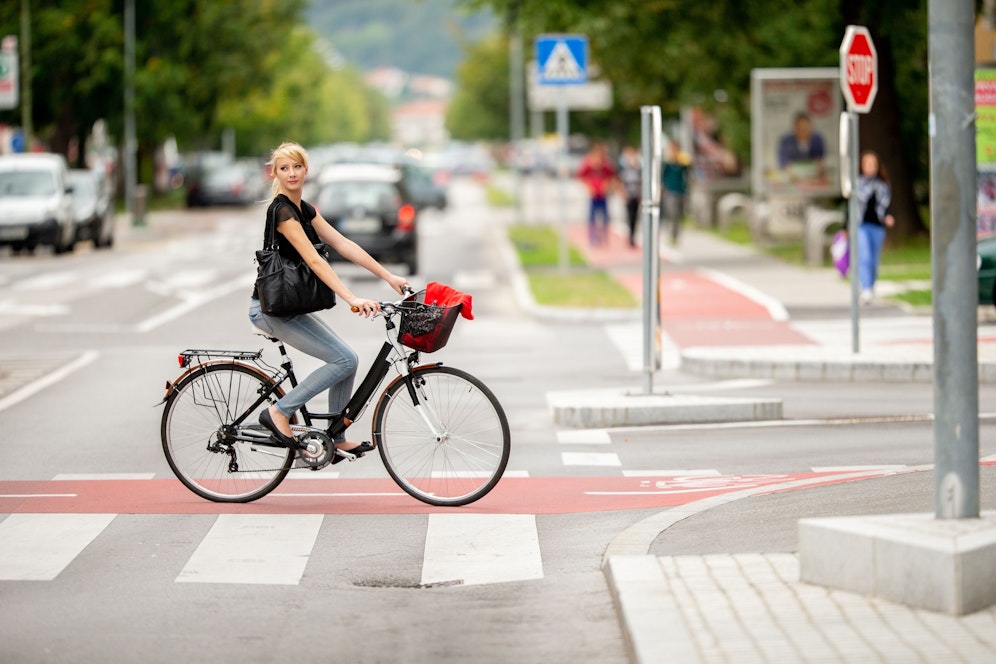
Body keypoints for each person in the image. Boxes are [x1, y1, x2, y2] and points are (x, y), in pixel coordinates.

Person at [249, 142, 409, 460]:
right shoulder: (281, 211)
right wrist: (351, 298)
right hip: (271, 310)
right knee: (344, 361)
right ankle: (279, 412)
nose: (291, 173)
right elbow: (315, 260)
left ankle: (335, 437)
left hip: (289, 307)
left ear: (307, 170)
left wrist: (388, 276)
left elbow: (343, 244)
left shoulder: (304, 208)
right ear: (275, 174)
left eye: (297, 166)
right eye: (284, 168)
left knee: (346, 360)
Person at [855, 150, 895, 304]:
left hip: (877, 226)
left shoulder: (883, 185)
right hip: (861, 225)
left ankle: (871, 286)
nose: (870, 167)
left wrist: (888, 216)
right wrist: (846, 227)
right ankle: (865, 287)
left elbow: (885, 206)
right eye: (867, 164)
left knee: (874, 259)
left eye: (873, 164)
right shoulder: (857, 184)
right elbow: (852, 207)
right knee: (864, 256)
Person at [576, 142, 617, 246]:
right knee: (592, 217)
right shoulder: (588, 163)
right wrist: (588, 187)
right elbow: (581, 176)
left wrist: (607, 185)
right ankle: (593, 238)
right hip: (593, 195)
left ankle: (604, 237)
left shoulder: (606, 164)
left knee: (605, 217)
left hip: (603, 194)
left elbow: (611, 176)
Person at [661, 139, 691, 245]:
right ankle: (672, 233)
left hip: (681, 190)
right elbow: (662, 176)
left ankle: (676, 233)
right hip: (670, 191)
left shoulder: (682, 161)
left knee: (679, 213)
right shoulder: (667, 162)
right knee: (672, 212)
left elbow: (688, 173)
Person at [617, 145, 642, 248]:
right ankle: (630, 236)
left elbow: (641, 181)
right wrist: (623, 193)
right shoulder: (623, 167)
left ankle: (633, 236)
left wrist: (640, 194)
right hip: (628, 194)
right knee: (629, 216)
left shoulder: (639, 167)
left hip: (636, 194)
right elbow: (620, 180)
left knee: (636, 217)